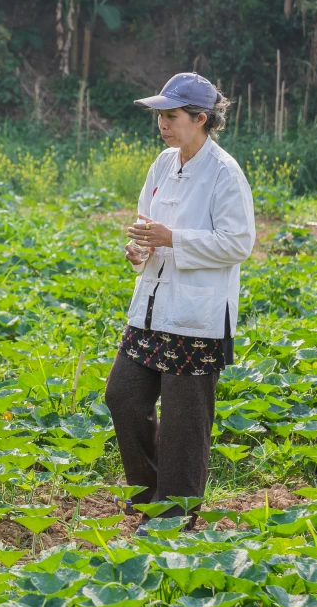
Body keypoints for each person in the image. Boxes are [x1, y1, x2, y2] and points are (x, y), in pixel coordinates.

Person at [104, 71, 255, 526]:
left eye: (171, 116)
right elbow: (148, 226)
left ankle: (176, 521)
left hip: (196, 318)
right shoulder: (162, 165)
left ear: (200, 119)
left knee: (184, 428)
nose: (162, 125)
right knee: (123, 397)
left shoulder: (225, 173)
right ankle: (153, 500)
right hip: (151, 309)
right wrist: (140, 248)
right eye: (160, 116)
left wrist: (173, 240)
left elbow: (239, 243)